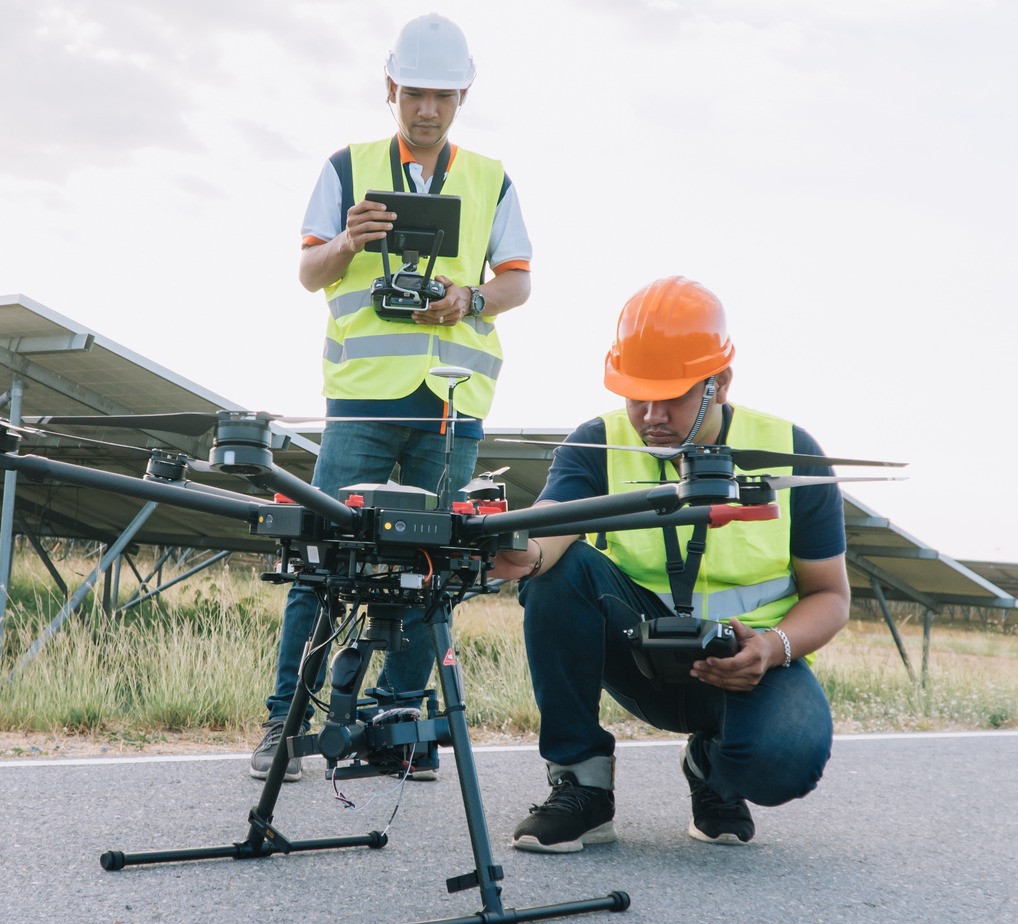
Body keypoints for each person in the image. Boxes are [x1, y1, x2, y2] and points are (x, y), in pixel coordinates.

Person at [251, 12, 534, 780]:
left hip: (450, 407)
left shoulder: (490, 178)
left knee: (430, 565)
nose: (427, 110)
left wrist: (469, 299)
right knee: (324, 561)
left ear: (463, 96)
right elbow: (310, 272)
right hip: (366, 405)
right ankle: (286, 722)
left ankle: (399, 725)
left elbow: (519, 280)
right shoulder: (346, 167)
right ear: (390, 88)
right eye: (414, 93)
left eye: (442, 96)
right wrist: (347, 243)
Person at [491, 276, 846, 851]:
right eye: (637, 395)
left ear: (720, 382)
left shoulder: (792, 452)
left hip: (744, 663)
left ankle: (713, 771)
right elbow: (551, 533)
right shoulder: (597, 442)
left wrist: (771, 647)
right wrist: (519, 551)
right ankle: (582, 786)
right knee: (559, 575)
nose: (651, 415)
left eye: (672, 396)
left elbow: (831, 595)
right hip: (636, 654)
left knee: (786, 760)